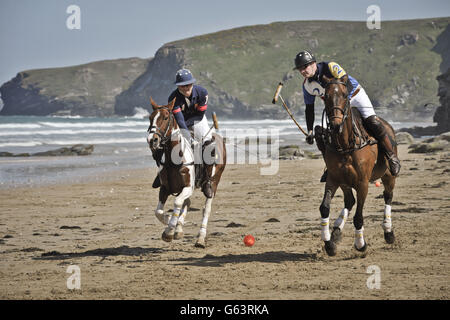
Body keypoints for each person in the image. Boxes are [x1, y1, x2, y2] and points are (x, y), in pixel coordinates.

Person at [293, 50, 401, 181]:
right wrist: (309, 131)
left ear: (313, 63)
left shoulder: (331, 67)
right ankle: (330, 167)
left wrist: (345, 103)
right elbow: (309, 109)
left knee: (373, 121)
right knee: (323, 133)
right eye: (300, 69)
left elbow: (347, 83)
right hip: (336, 106)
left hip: (355, 95)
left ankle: (392, 157)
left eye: (305, 66)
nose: (303, 71)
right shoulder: (307, 86)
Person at [152, 69, 214, 196]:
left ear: (192, 83)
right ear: (178, 86)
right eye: (182, 85)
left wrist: (189, 132)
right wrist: (185, 132)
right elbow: (179, 118)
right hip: (180, 123)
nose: (185, 88)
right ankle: (161, 172)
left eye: (188, 84)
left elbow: (199, 114)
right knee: (162, 145)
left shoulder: (203, 93)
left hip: (198, 121)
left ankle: (206, 181)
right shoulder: (173, 98)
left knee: (209, 146)